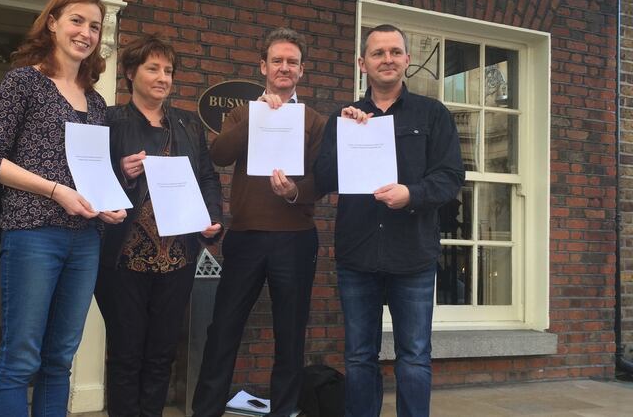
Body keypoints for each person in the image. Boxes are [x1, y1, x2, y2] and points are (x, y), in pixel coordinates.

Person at [192, 27, 361, 417]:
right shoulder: (242, 112)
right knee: (223, 330)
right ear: (263, 67)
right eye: (277, 61)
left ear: (302, 71)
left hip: (295, 239)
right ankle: (206, 410)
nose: (284, 68)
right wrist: (256, 118)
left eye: (292, 62)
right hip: (246, 236)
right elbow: (218, 153)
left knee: (290, 332)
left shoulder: (315, 121)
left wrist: (293, 193)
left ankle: (284, 410)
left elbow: (322, 180)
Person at [0, 0, 126, 417]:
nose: (86, 32)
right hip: (33, 233)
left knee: (60, 359)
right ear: (53, 22)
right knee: (21, 359)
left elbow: (90, 170)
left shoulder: (95, 101)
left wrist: (108, 200)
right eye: (77, 20)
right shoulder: (23, 81)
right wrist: (56, 191)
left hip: (86, 238)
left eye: (95, 26)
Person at [314, 24, 465, 417]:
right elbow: (326, 178)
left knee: (414, 357)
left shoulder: (433, 115)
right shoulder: (343, 118)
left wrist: (411, 194)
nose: (387, 59)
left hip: (413, 255)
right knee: (359, 357)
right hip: (357, 255)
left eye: (395, 52)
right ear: (363, 63)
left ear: (407, 61)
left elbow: (449, 178)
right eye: (378, 53)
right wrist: (347, 134)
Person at [95, 34, 223, 417]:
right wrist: (120, 172)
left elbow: (208, 177)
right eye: (153, 68)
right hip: (123, 260)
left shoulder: (187, 124)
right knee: (126, 354)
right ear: (131, 73)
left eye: (168, 70)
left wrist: (211, 217)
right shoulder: (110, 120)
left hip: (177, 259)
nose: (163, 77)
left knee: (161, 354)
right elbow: (90, 179)